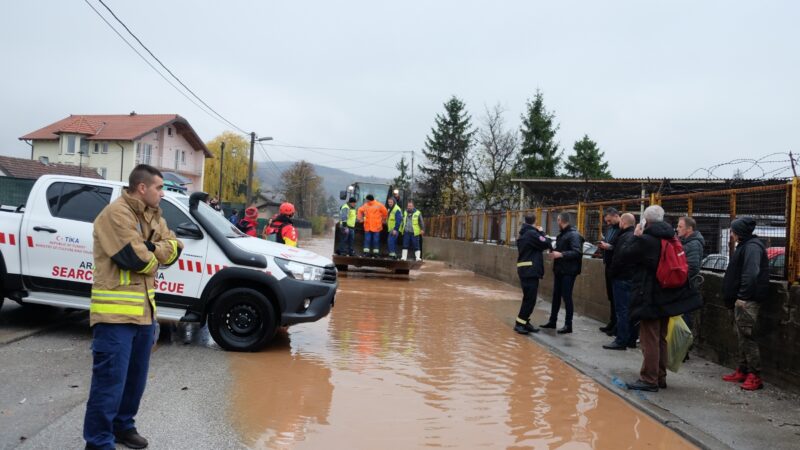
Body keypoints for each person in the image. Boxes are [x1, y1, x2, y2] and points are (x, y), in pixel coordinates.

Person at [84, 164, 184, 450]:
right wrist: (154, 252)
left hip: (144, 314)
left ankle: (122, 427)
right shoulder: (116, 214)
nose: (162, 194)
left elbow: (175, 247)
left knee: (134, 381)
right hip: (114, 316)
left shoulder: (154, 215)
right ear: (143, 188)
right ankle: (98, 441)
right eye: (159, 188)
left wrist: (153, 249)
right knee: (109, 383)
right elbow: (135, 258)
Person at [624, 206, 702, 392]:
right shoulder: (671, 237)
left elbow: (625, 255)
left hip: (650, 296)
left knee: (649, 338)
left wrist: (635, 235)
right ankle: (660, 377)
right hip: (668, 296)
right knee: (661, 338)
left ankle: (648, 379)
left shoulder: (647, 240)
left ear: (646, 220)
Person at [721, 217, 769, 391]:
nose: (731, 234)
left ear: (738, 232)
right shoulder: (746, 246)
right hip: (740, 299)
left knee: (747, 337)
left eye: (733, 231)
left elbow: (751, 273)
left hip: (746, 300)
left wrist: (743, 296)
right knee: (741, 336)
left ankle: (755, 375)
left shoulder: (752, 247)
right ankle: (743, 369)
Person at [540, 212, 583, 334]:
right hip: (560, 270)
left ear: (560, 220)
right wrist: (553, 252)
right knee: (556, 296)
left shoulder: (574, 235)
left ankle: (568, 325)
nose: (557, 223)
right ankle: (552, 321)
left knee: (567, 297)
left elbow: (577, 252)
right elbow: (561, 250)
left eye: (557, 220)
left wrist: (561, 254)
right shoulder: (562, 235)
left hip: (569, 271)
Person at [604, 213, 637, 350]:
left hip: (621, 278)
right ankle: (631, 339)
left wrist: (612, 273)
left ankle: (621, 340)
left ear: (623, 222)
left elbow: (618, 258)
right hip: (631, 277)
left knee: (622, 310)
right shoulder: (635, 236)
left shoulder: (624, 237)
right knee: (631, 310)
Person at [514, 215, 552, 334]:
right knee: (530, 299)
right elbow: (545, 243)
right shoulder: (531, 234)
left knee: (529, 298)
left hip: (526, 269)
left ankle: (525, 322)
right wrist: (542, 232)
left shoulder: (524, 233)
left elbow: (537, 246)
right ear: (535, 222)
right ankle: (519, 324)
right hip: (529, 271)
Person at [677, 216, 705, 330]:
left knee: (684, 314)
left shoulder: (693, 244)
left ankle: (683, 343)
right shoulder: (686, 242)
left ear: (689, 229)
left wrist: (678, 279)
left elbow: (693, 267)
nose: (677, 229)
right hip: (684, 284)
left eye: (680, 226)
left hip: (686, 285)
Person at [598, 208, 621, 336]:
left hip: (616, 266)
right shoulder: (610, 229)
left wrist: (609, 247)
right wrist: (603, 246)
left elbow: (620, 246)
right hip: (608, 264)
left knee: (617, 297)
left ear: (616, 216)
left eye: (609, 220)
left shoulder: (622, 229)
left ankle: (616, 325)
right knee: (611, 296)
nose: (608, 223)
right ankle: (612, 322)